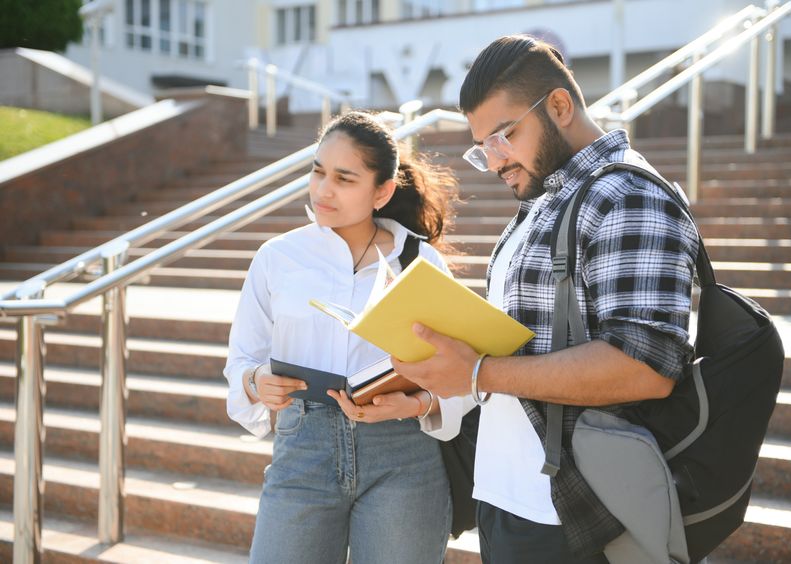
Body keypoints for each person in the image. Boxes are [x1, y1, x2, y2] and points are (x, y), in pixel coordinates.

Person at [394, 35, 701, 563]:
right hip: (507, 496)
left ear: (558, 105)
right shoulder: (546, 196)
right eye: (483, 146)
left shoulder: (628, 196)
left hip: (575, 514)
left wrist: (478, 373)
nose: (494, 162)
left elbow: (645, 366)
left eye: (505, 136)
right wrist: (437, 381)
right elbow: (520, 349)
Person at [223, 111, 465, 564]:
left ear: (383, 191)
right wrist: (257, 381)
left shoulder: (421, 262)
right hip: (303, 449)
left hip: (403, 453)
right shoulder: (278, 257)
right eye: (317, 171)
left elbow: (460, 373)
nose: (323, 190)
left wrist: (416, 404)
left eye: (344, 178)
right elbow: (241, 361)